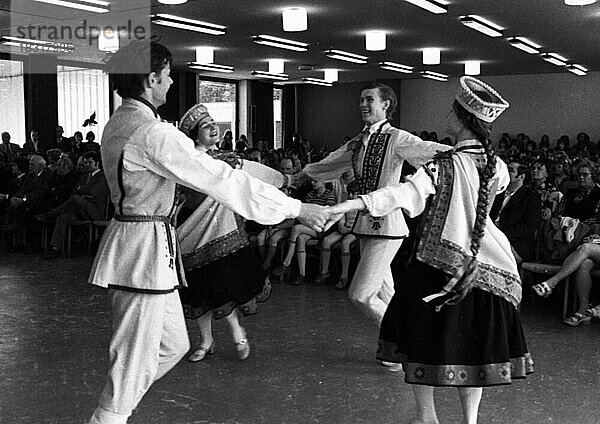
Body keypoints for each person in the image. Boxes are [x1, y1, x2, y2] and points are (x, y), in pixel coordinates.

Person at [86, 40, 328, 424]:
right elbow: (222, 179)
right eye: (166, 77)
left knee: (173, 344)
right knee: (130, 360)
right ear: (151, 79)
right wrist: (296, 207)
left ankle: (118, 411)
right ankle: (111, 416)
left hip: (147, 247)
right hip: (140, 253)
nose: (168, 84)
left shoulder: (120, 121)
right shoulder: (151, 133)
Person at [327, 76, 533, 424]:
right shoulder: (494, 165)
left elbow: (403, 195)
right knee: (475, 350)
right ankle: (468, 420)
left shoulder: (444, 165)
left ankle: (426, 416)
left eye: (451, 112)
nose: (447, 116)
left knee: (417, 341)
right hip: (487, 265)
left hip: (439, 265)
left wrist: (352, 205)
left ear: (462, 118)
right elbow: (489, 195)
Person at [294, 81, 450, 327]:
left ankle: (400, 344)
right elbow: (331, 162)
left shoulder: (397, 138)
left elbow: (429, 149)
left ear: (386, 104)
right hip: (365, 226)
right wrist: (298, 176)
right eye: (361, 100)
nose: (363, 105)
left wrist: (467, 154)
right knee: (386, 294)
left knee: (361, 295)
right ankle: (407, 344)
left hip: (387, 227)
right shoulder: (358, 142)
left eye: (369, 100)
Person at [175, 104, 287, 362]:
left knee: (221, 288)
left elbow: (256, 172)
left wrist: (285, 180)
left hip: (222, 235)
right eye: (205, 126)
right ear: (194, 136)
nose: (213, 127)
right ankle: (206, 341)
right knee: (197, 292)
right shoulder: (186, 163)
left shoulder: (228, 159)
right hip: (189, 233)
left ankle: (237, 333)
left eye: (213, 122)